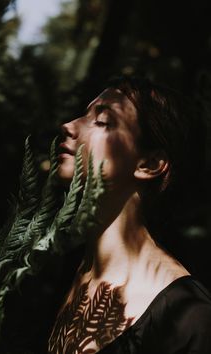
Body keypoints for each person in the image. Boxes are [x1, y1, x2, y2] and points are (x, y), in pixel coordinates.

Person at [47, 76, 211, 354]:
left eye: (102, 121)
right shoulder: (67, 266)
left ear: (149, 164)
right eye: (84, 115)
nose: (69, 126)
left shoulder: (189, 318)